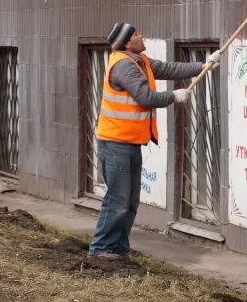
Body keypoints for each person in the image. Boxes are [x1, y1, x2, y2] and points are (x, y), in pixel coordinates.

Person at [88, 22, 220, 259]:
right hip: (115, 144)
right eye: (137, 34)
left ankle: (118, 248)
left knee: (129, 201)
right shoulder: (123, 67)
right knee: (117, 200)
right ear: (128, 42)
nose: (142, 36)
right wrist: (173, 96)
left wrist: (204, 65)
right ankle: (101, 249)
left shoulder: (141, 62)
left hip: (129, 143)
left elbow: (170, 69)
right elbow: (145, 97)